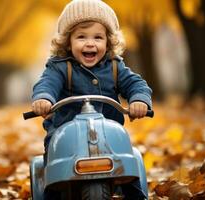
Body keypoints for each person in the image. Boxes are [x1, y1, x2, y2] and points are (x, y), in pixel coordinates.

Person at [32, 0, 152, 162]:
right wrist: (44, 98)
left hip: (109, 132)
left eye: (98, 37)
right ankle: (53, 186)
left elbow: (135, 84)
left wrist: (139, 100)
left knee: (129, 160)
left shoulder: (115, 67)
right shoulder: (60, 67)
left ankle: (132, 186)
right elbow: (47, 83)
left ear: (108, 41)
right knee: (55, 154)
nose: (90, 43)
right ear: (68, 42)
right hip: (67, 133)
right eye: (81, 37)